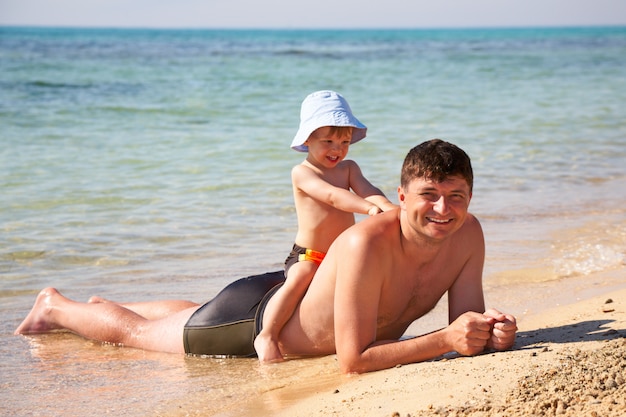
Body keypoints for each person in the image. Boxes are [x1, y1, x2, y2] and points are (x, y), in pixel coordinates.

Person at [15, 139, 517, 374]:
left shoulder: (469, 235)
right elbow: (354, 360)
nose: (442, 209)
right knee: (134, 336)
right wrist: (445, 340)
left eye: (456, 196)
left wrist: (490, 331)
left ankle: (103, 303)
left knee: (186, 315)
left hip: (277, 296)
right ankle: (56, 306)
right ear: (402, 197)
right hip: (250, 320)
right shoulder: (367, 244)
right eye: (429, 194)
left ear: (470, 198)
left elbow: (463, 323)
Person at [254, 90, 397, 363]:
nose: (337, 149)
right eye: (328, 141)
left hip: (340, 257)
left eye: (344, 142)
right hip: (310, 254)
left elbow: (370, 192)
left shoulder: (349, 168)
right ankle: (267, 335)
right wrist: (368, 210)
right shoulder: (303, 172)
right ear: (307, 139)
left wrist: (392, 210)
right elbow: (333, 196)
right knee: (300, 278)